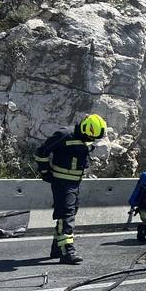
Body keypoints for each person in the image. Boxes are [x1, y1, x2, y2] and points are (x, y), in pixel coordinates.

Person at [34, 113, 107, 264]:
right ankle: (67, 251)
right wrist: (45, 171)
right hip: (62, 182)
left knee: (70, 211)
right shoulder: (64, 134)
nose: (91, 141)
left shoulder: (85, 138)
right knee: (66, 214)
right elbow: (42, 152)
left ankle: (57, 247)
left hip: (74, 183)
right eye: (90, 137)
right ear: (85, 128)